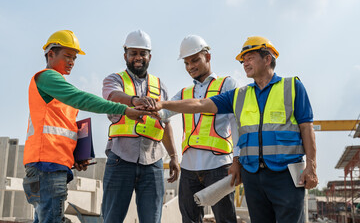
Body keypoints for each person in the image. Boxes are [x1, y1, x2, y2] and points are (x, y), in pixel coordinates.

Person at [152, 36, 318, 223]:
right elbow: (200, 103)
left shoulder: (292, 87)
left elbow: (306, 127)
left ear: (267, 58)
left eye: (250, 58)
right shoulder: (240, 95)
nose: (245, 63)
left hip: (285, 175)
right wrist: (161, 105)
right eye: (243, 60)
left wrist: (311, 165)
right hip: (254, 177)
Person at [22, 30, 152, 223]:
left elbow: (61, 128)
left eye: (74, 58)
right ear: (51, 54)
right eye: (67, 56)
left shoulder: (58, 87)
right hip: (46, 166)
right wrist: (125, 109)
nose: (72, 62)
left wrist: (75, 155)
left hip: (53, 165)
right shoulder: (47, 78)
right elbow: (82, 98)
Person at [101, 30, 180, 223]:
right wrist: (134, 100)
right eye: (133, 53)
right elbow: (111, 96)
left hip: (152, 162)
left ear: (149, 56)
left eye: (142, 53)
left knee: (152, 219)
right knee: (112, 218)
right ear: (125, 55)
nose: (138, 57)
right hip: (120, 158)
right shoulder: (114, 80)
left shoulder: (160, 86)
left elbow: (165, 123)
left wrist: (174, 157)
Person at [159, 35, 238, 223]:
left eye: (195, 60)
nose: (190, 67)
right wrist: (140, 106)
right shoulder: (185, 93)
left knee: (225, 219)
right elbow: (163, 113)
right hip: (189, 169)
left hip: (219, 166)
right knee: (189, 220)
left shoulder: (227, 84)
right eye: (186, 63)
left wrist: (238, 160)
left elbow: (237, 124)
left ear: (208, 57)